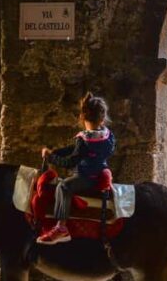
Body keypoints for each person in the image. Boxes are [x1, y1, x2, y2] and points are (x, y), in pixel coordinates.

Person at [38, 92, 116, 245]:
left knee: (63, 186)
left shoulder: (84, 139)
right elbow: (76, 149)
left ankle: (61, 227)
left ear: (82, 116)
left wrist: (51, 158)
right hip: (100, 172)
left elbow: (71, 161)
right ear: (102, 118)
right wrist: (55, 151)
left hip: (87, 177)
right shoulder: (108, 136)